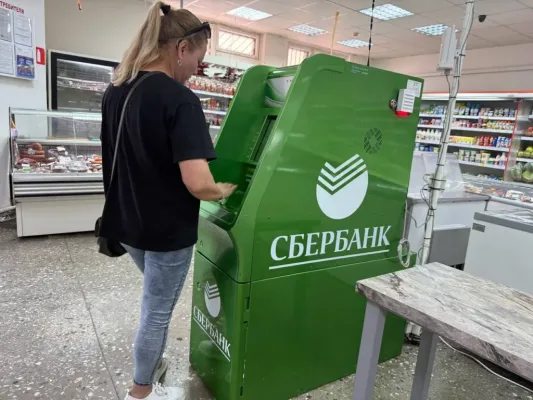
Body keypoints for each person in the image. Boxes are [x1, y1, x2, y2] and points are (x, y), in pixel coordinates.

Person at [99, 2, 237, 400]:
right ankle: (141, 391)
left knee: (155, 300)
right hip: (166, 231)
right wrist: (222, 190)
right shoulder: (179, 99)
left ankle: (152, 369)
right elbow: (198, 183)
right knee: (157, 311)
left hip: (127, 223)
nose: (197, 68)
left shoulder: (116, 89)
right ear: (181, 48)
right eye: (198, 58)